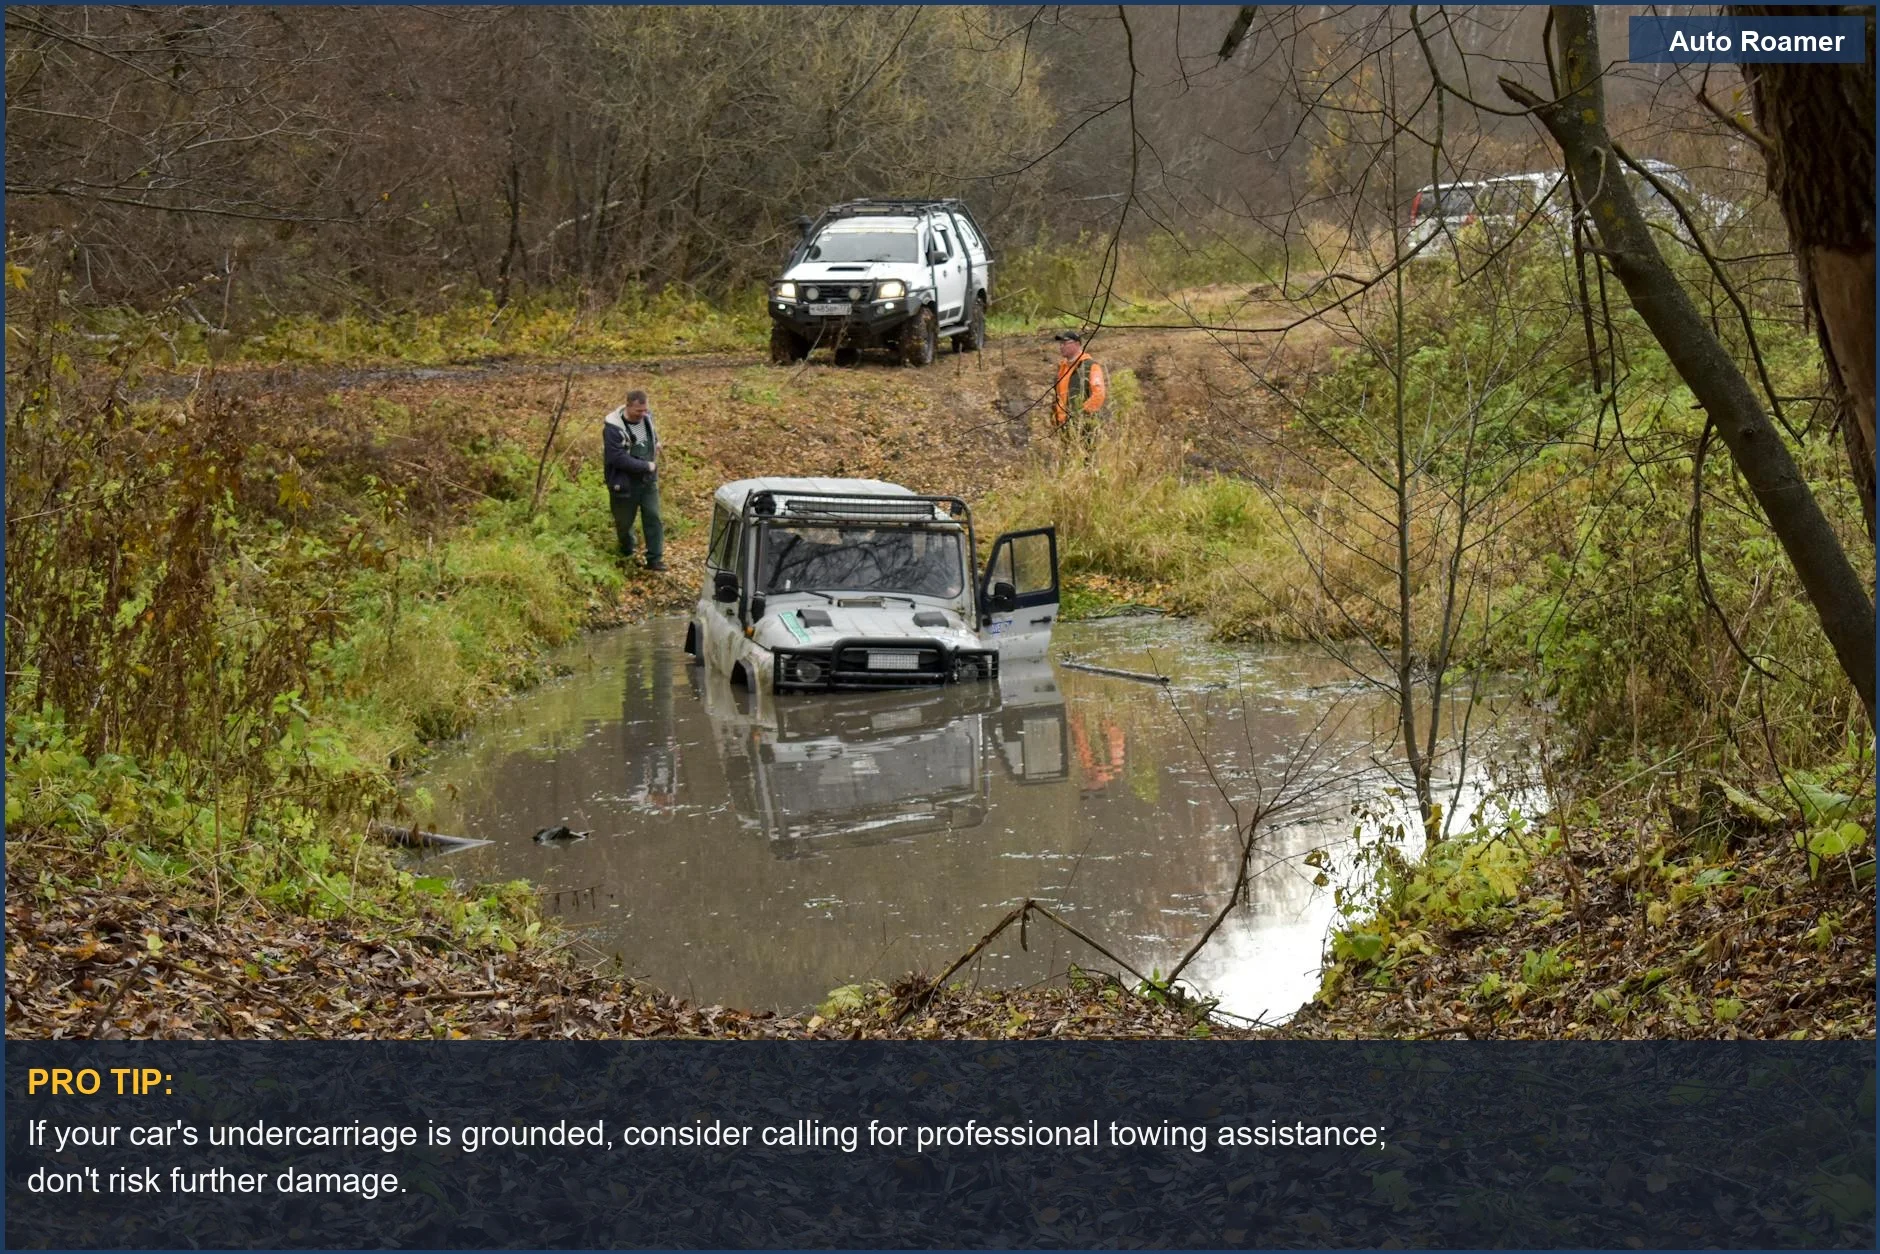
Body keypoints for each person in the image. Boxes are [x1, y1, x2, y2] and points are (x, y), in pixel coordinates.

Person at [602, 388, 665, 571]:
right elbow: (617, 458)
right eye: (638, 411)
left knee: (653, 517)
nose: (643, 414)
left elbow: (650, 433)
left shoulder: (646, 417)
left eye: (645, 410)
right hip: (624, 483)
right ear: (628, 406)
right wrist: (646, 466)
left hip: (648, 481)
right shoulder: (613, 428)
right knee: (624, 523)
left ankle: (655, 559)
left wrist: (656, 442)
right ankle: (627, 554)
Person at [1051, 330, 1109, 448]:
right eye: (1060, 344)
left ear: (1077, 344)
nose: (1061, 347)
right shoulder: (1062, 368)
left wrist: (1080, 416)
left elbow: (1099, 395)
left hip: (1084, 428)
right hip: (1064, 427)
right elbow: (1059, 397)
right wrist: (1055, 417)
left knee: (1086, 461)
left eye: (1065, 343)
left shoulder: (1090, 366)